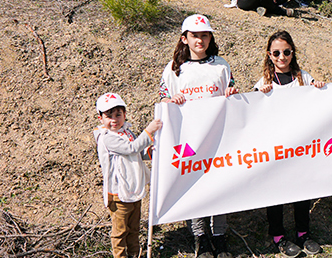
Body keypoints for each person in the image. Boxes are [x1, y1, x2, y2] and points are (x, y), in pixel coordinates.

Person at [159, 14, 240, 258]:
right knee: (194, 185)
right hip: (189, 139)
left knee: (218, 185)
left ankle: (219, 236)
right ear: (184, 38)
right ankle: (200, 237)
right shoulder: (174, 69)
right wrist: (170, 100)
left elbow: (233, 93)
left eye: (205, 35)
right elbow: (163, 98)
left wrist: (232, 91)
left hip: (218, 136)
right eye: (195, 35)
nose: (200, 40)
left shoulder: (221, 64)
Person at [254, 30, 325, 257]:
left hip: (301, 149)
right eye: (276, 53)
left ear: (292, 52)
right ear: (269, 55)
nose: (281, 57)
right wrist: (259, 94)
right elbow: (251, 115)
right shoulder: (263, 83)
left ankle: (303, 234)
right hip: (275, 151)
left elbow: (322, 101)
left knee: (302, 193)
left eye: (286, 52)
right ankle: (279, 237)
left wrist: (321, 88)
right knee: (276, 194)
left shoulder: (303, 77)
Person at [94, 93, 163, 258]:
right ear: (100, 118)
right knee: (120, 231)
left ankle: (135, 254)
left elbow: (136, 153)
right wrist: (149, 132)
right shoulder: (106, 138)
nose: (114, 119)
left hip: (133, 189)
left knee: (134, 227)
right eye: (108, 116)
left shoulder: (127, 133)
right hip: (119, 194)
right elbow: (131, 149)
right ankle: (120, 255)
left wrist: (149, 152)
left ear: (125, 115)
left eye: (118, 115)